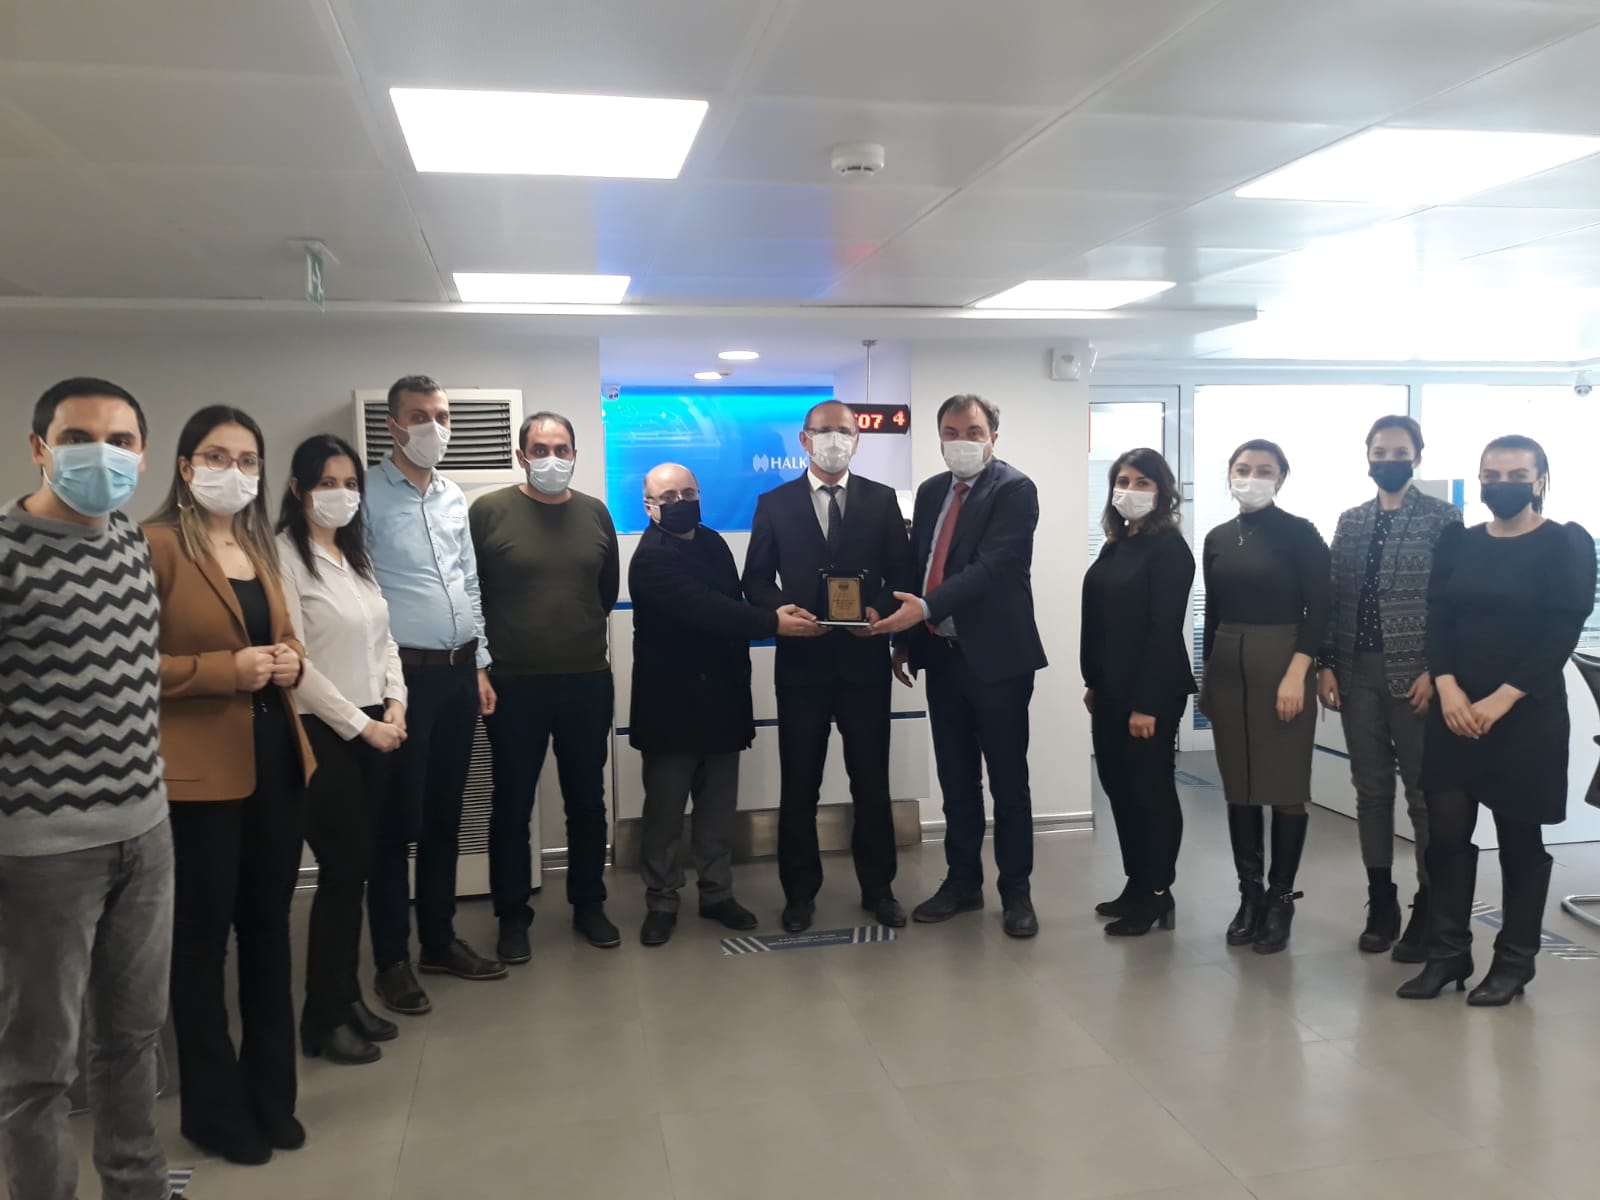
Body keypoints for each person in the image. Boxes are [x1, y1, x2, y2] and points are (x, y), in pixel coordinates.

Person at [0, 379, 173, 1200]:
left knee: (134, 1038)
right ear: (40, 448)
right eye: (77, 438)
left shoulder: (130, 541)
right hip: (43, 852)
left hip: (146, 831)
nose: (101, 455)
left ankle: (137, 1186)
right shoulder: (6, 553)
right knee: (38, 1063)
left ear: (141, 453)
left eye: (120, 439)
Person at [144, 406, 316, 1165]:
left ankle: (271, 1096)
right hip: (199, 778)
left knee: (269, 932)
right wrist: (225, 670)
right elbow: (128, 664)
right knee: (201, 942)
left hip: (276, 760)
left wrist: (291, 660)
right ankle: (212, 1111)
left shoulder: (257, 546)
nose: (234, 472)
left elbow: (286, 638)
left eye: (248, 460)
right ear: (186, 467)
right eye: (217, 457)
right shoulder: (153, 546)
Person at [1398, 435, 1596, 1005]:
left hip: (1525, 715)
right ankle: (1447, 954)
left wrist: (1500, 700)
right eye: (1492, 474)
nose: (1501, 483)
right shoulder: (1458, 542)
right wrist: (1447, 687)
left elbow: (1560, 630)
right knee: (1446, 839)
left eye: (1516, 474)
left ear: (1540, 481)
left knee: (1519, 842)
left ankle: (1514, 961)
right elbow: (1439, 617)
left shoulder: (1566, 543)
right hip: (1455, 708)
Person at [873, 394, 1047, 938]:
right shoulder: (931, 492)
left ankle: (1016, 892)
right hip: (941, 656)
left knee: (1008, 783)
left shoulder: (1014, 490)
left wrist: (923, 609)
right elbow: (918, 564)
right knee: (956, 779)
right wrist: (905, 640)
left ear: (993, 435)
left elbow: (992, 567)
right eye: (951, 432)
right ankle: (963, 883)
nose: (961, 442)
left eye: (973, 432)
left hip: (997, 659)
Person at [628, 463, 822, 945]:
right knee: (665, 813)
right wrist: (773, 623)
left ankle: (717, 893)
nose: (680, 502)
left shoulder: (714, 542)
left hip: (722, 698)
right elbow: (705, 608)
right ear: (649, 506)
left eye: (688, 492)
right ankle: (662, 900)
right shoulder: (649, 558)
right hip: (670, 703)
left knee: (718, 809)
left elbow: (733, 604)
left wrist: (769, 611)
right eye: (668, 497)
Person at [743, 399, 916, 933]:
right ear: (804, 439)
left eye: (844, 431)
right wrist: (781, 612)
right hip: (802, 664)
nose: (834, 440)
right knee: (800, 784)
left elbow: (901, 574)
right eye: (824, 431)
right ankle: (799, 894)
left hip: (864, 662)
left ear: (857, 440)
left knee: (872, 782)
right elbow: (755, 580)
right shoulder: (773, 504)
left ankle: (879, 889)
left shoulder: (882, 500)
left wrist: (879, 610)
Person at [364, 375, 504, 1018]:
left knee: (446, 814)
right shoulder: (365, 494)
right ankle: (391, 960)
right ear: (393, 425)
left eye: (441, 415)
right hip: (401, 680)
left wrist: (481, 665)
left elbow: (468, 582)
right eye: (419, 416)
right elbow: (360, 589)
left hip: (457, 673)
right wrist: (383, 683)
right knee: (396, 825)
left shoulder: (452, 496)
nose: (434, 427)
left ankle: (440, 941)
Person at [471, 411, 621, 959]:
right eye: (539, 449)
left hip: (586, 678)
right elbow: (469, 593)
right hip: (513, 683)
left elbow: (605, 591)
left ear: (575, 455)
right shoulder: (489, 512)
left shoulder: (595, 513)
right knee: (511, 804)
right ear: (521, 456)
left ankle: (589, 904)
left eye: (561, 449)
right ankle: (512, 916)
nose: (551, 458)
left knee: (587, 800)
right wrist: (479, 667)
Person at [276, 435, 406, 1066]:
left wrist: (396, 702)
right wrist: (362, 726)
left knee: (358, 870)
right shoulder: (283, 557)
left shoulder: (355, 555)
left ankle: (346, 997)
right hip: (322, 731)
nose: (341, 494)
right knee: (340, 870)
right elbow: (294, 664)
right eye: (327, 483)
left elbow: (386, 640)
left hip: (375, 723)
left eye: (350, 483)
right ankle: (322, 1017)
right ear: (298, 489)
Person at [1318, 416, 1461, 960]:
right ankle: (1381, 900)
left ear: (1417, 457)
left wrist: (1437, 669)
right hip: (1357, 673)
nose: (1389, 460)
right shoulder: (1351, 520)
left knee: (1423, 794)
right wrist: (1326, 664)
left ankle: (1429, 903)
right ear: (1368, 456)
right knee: (1371, 791)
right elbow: (1333, 595)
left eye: (1400, 451)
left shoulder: (1442, 518)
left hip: (1416, 676)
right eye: (1380, 452)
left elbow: (1452, 600)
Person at [1200, 439, 1330, 955]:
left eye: (1264, 470)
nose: (1251, 477)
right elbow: (1212, 612)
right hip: (1228, 663)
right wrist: (1207, 677)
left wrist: (1299, 673)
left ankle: (1281, 899)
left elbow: (1320, 609)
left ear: (1281, 478)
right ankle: (1249, 896)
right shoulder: (1216, 537)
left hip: (1283, 660)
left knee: (1284, 785)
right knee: (1240, 785)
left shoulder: (1300, 534)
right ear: (1229, 474)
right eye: (1242, 468)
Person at [1079, 447, 1196, 936]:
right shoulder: (1115, 545)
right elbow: (1099, 619)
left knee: (1150, 791)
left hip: (1151, 693)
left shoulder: (1169, 550)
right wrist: (1093, 681)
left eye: (1142, 482)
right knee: (1119, 787)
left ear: (1162, 492)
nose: (1129, 490)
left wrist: (1146, 704)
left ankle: (1157, 893)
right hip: (1109, 690)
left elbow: (1163, 629)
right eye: (1123, 481)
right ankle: (1137, 882)